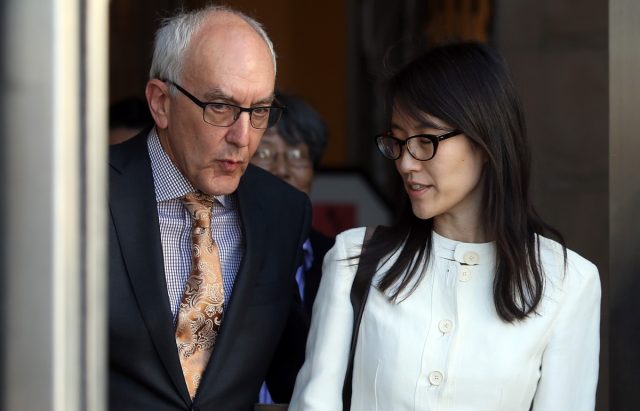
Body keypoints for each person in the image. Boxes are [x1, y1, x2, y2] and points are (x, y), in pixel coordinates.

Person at [290, 42, 601, 410]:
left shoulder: (567, 282)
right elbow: (314, 403)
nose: (406, 162)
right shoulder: (354, 258)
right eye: (398, 141)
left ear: (484, 141)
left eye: (425, 140)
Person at [108, 5, 311, 411]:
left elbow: (297, 374)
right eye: (220, 106)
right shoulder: (80, 196)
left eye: (260, 111)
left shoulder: (283, 212)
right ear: (161, 102)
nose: (243, 137)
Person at [250, 92, 335, 405]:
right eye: (266, 152)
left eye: (298, 155)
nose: (282, 168)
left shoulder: (339, 259)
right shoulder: (214, 251)